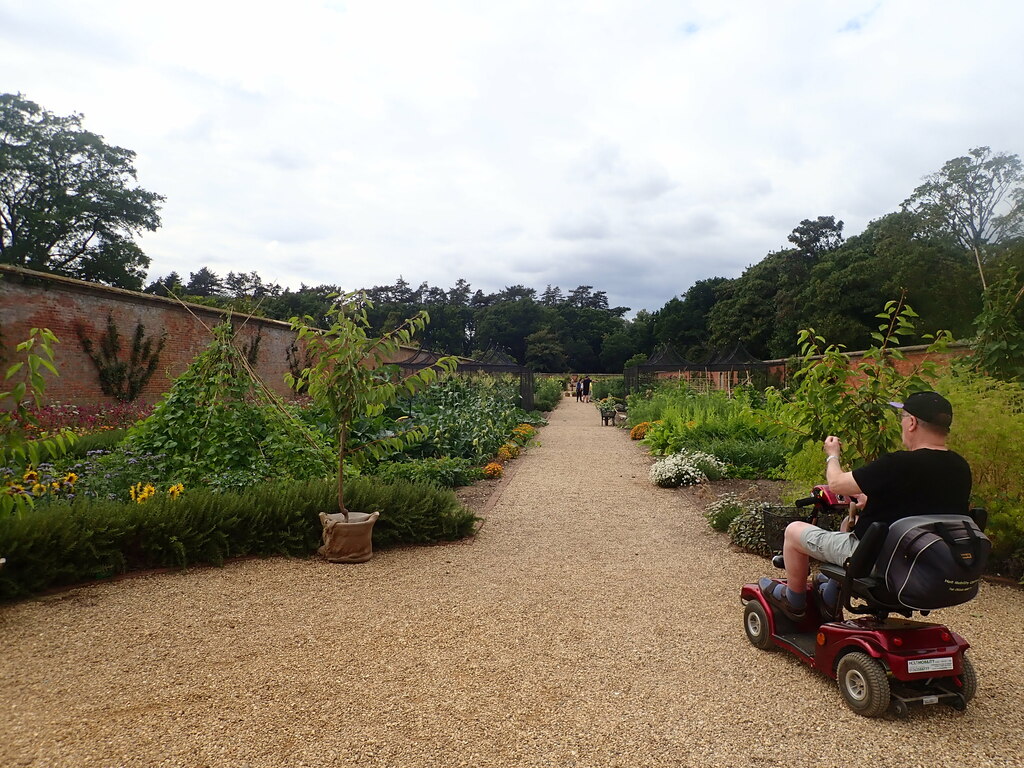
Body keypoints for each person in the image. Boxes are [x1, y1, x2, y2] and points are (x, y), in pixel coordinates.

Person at [760, 391, 972, 620]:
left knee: (794, 532)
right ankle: (830, 595)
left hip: (881, 561)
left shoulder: (898, 464)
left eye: (902, 416)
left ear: (911, 423)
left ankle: (794, 601)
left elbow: (837, 484)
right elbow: (924, 505)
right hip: (926, 563)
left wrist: (832, 455)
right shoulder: (960, 468)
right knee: (848, 524)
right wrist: (872, 499)